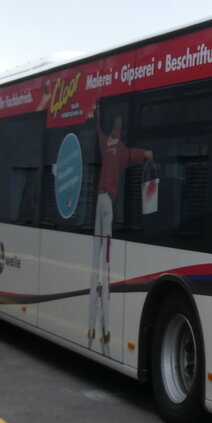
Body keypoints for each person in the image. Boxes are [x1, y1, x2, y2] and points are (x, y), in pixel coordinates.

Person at [89, 103, 152, 351]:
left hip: (98, 200)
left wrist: (97, 117)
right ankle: (103, 330)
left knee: (97, 257)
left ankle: (93, 330)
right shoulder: (122, 149)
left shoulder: (106, 146)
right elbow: (137, 155)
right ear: (121, 130)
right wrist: (148, 153)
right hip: (108, 204)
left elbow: (97, 132)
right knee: (105, 261)